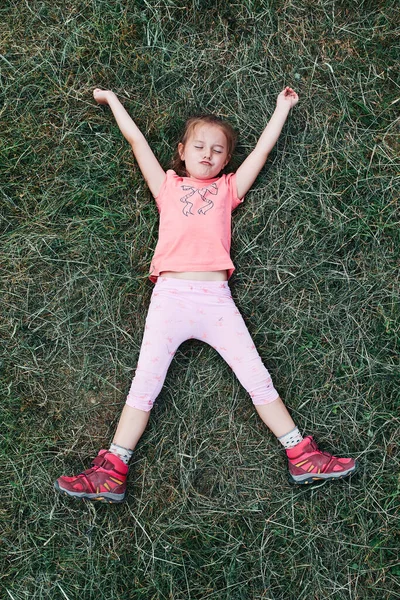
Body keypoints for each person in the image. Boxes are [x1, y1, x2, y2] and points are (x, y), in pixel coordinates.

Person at [54, 87, 357, 503]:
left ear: (226, 160)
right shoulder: (166, 186)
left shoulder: (228, 190)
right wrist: (112, 101)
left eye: (217, 150)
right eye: (199, 146)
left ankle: (301, 456)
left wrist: (281, 107)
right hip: (171, 298)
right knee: (144, 386)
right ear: (181, 151)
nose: (208, 154)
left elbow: (262, 155)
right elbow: (136, 140)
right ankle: (112, 471)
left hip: (216, 300)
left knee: (258, 379)